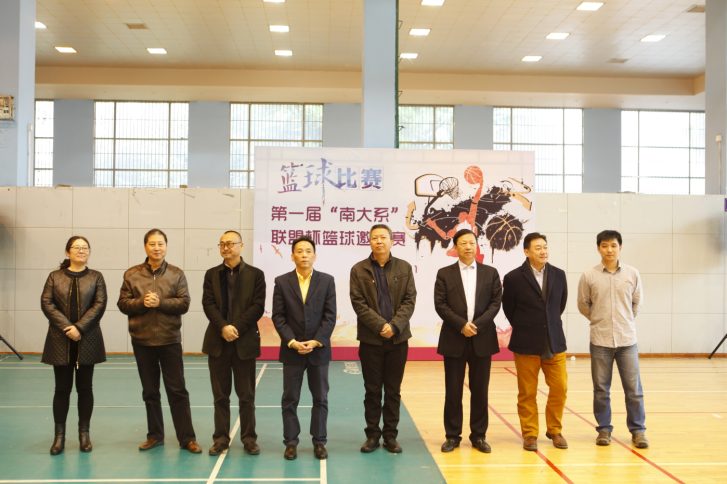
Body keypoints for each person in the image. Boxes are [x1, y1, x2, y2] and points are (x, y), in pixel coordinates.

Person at [118, 229, 201, 454]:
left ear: (166, 246)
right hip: (142, 341)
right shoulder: (132, 274)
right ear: (145, 247)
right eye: (152, 244)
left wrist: (160, 303)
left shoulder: (176, 274)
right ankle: (155, 436)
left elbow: (184, 303)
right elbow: (123, 304)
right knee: (150, 391)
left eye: (161, 244)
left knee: (178, 390)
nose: (157, 248)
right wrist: (142, 302)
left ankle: (187, 438)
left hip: (169, 340)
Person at [577, 230, 647, 448]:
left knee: (634, 390)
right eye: (605, 245)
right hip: (600, 340)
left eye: (614, 245)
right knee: (601, 390)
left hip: (627, 341)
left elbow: (637, 302)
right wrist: (599, 320)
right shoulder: (589, 275)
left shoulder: (632, 273)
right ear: (598, 248)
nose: (610, 249)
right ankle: (604, 429)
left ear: (620, 248)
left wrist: (624, 320)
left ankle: (638, 431)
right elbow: (583, 304)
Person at [350, 224, 416, 454]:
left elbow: (410, 300)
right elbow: (358, 303)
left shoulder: (404, 267)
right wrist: (381, 326)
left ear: (392, 241)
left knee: (393, 390)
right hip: (371, 340)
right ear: (369, 241)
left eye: (383, 237)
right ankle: (372, 435)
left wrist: (394, 326)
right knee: (372, 390)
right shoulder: (358, 270)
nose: (379, 241)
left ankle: (390, 435)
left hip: (398, 340)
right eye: (374, 238)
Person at [434, 229, 501, 454]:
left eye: (472, 242)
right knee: (453, 390)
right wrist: (462, 325)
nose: (468, 247)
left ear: (477, 245)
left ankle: (479, 436)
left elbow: (495, 303)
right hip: (454, 337)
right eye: (463, 243)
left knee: (480, 390)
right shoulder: (444, 273)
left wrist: (477, 326)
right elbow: (440, 304)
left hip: (482, 338)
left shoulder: (490, 273)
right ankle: (452, 436)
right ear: (455, 247)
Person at [271, 235, 336, 461]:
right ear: (292, 256)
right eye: (299, 251)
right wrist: (291, 341)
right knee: (290, 399)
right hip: (292, 350)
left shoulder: (327, 281)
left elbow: (330, 316)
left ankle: (319, 442)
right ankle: (291, 442)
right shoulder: (282, 282)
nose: (304, 255)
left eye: (308, 251)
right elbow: (278, 316)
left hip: (319, 350)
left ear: (315, 256)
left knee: (320, 398)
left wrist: (316, 341)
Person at [41, 236, 107, 455]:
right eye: (77, 247)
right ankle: (59, 437)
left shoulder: (96, 277)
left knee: (85, 388)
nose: (81, 250)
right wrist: (67, 327)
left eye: (85, 248)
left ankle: (84, 435)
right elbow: (47, 303)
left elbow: (99, 305)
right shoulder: (55, 276)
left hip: (88, 338)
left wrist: (79, 328)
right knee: (62, 389)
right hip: (60, 339)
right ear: (67, 252)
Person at [201, 230, 266, 456]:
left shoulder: (255, 275)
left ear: (241, 245)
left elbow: (257, 307)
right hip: (218, 342)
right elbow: (208, 304)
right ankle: (220, 438)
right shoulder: (211, 274)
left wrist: (235, 327)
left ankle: (249, 439)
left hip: (244, 341)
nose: (226, 247)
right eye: (222, 244)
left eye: (230, 243)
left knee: (246, 396)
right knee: (220, 396)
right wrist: (223, 327)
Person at [502, 232, 568, 452]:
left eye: (545, 247)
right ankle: (530, 433)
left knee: (560, 388)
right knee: (527, 392)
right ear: (526, 252)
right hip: (526, 343)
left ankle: (554, 430)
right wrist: (528, 326)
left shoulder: (559, 274)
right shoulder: (513, 277)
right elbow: (509, 309)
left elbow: (559, 306)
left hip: (554, 341)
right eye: (538, 248)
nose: (543, 251)